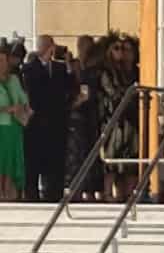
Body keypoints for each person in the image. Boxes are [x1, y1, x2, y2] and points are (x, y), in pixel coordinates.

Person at [22, 35, 73, 202]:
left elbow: (71, 87)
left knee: (55, 163)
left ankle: (54, 195)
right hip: (37, 123)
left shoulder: (59, 68)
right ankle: (32, 196)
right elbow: (33, 93)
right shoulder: (29, 68)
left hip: (57, 123)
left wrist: (69, 66)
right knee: (34, 162)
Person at [98, 34, 138, 201]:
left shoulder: (133, 72)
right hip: (113, 120)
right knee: (112, 157)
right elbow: (112, 92)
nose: (121, 52)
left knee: (130, 158)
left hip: (131, 119)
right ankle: (108, 194)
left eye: (124, 49)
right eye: (117, 48)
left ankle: (128, 194)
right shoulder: (107, 72)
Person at [65, 41, 103, 202]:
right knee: (77, 156)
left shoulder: (94, 71)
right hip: (78, 119)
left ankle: (89, 190)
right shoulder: (74, 66)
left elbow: (89, 92)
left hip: (90, 118)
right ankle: (77, 189)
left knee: (89, 155)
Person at [0, 47, 30, 200]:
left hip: (14, 127)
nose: (2, 64)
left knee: (11, 164)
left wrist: (26, 110)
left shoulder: (14, 80)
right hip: (1, 127)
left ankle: (8, 195)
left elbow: (24, 100)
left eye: (4, 61)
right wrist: (8, 109)